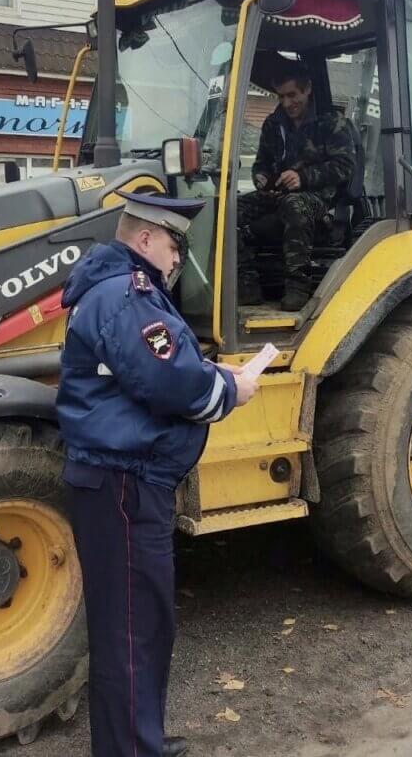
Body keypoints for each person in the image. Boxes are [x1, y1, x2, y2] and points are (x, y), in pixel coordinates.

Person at [57, 190, 259, 757]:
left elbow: (158, 365)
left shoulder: (119, 292)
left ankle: (138, 740)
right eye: (174, 245)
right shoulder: (128, 295)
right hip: (124, 481)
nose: (176, 259)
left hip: (124, 478)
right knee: (131, 631)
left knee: (141, 625)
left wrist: (205, 370)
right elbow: (168, 381)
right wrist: (229, 389)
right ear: (145, 239)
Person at [237, 61, 356, 311]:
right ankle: (246, 284)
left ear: (307, 89)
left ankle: (298, 286)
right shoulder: (273, 124)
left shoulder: (332, 122)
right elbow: (261, 164)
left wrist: (303, 177)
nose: (287, 103)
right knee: (230, 209)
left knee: (295, 203)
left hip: (321, 202)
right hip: (278, 195)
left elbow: (346, 167)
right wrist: (262, 179)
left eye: (292, 95)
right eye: (281, 96)